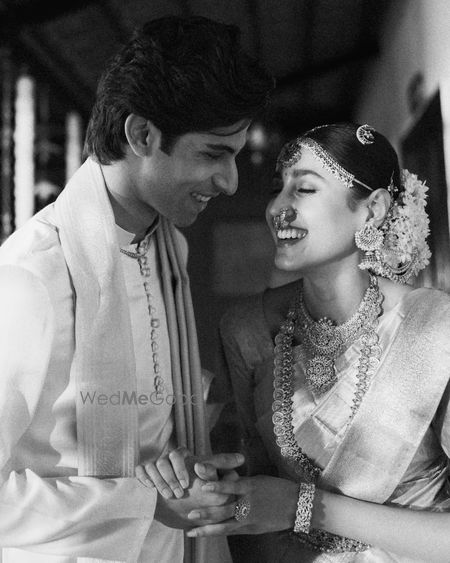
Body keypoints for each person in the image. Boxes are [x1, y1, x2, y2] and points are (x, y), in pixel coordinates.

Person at [0, 15, 273, 563]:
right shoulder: (32, 278)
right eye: (213, 153)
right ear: (142, 135)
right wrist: (141, 501)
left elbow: (155, 423)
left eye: (235, 154)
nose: (230, 182)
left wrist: (184, 468)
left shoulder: (169, 249)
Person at [149, 122, 450, 562]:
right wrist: (183, 474)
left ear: (373, 210)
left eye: (304, 189)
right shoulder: (248, 330)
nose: (278, 208)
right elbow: (241, 492)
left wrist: (302, 507)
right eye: (278, 188)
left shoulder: (436, 330)